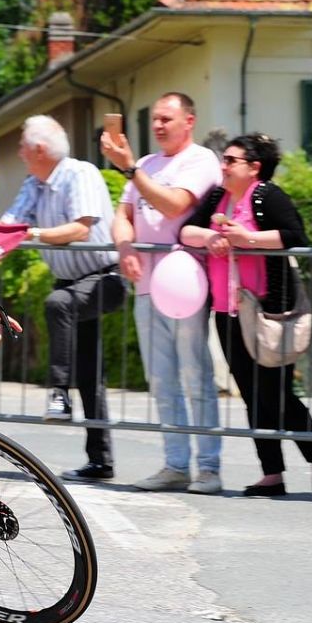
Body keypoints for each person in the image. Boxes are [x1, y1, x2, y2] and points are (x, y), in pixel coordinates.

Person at [180, 133, 312, 496]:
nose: (223, 166)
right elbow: (186, 231)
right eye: (223, 160)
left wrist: (247, 238)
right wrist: (210, 238)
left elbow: (294, 235)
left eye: (231, 160)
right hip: (226, 310)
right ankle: (272, 472)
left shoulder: (267, 195)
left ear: (254, 167)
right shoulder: (217, 197)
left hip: (267, 311)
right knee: (250, 393)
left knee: (275, 392)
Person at [101, 92, 223, 493]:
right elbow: (123, 214)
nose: (157, 125)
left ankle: (209, 467)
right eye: (154, 118)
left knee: (195, 374)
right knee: (161, 378)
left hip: (185, 284)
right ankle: (175, 464)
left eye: (166, 118)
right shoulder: (148, 164)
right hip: (147, 285)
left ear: (189, 121)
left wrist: (130, 168)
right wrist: (124, 246)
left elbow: (174, 205)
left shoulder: (201, 160)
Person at [0, 115, 125, 481]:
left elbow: (81, 229)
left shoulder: (80, 173)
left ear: (40, 149)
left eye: (22, 146)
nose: (19, 153)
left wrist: (33, 234)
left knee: (58, 303)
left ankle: (58, 392)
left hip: (104, 278)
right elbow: (9, 225)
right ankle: (101, 460)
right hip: (70, 281)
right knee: (89, 372)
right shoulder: (33, 183)